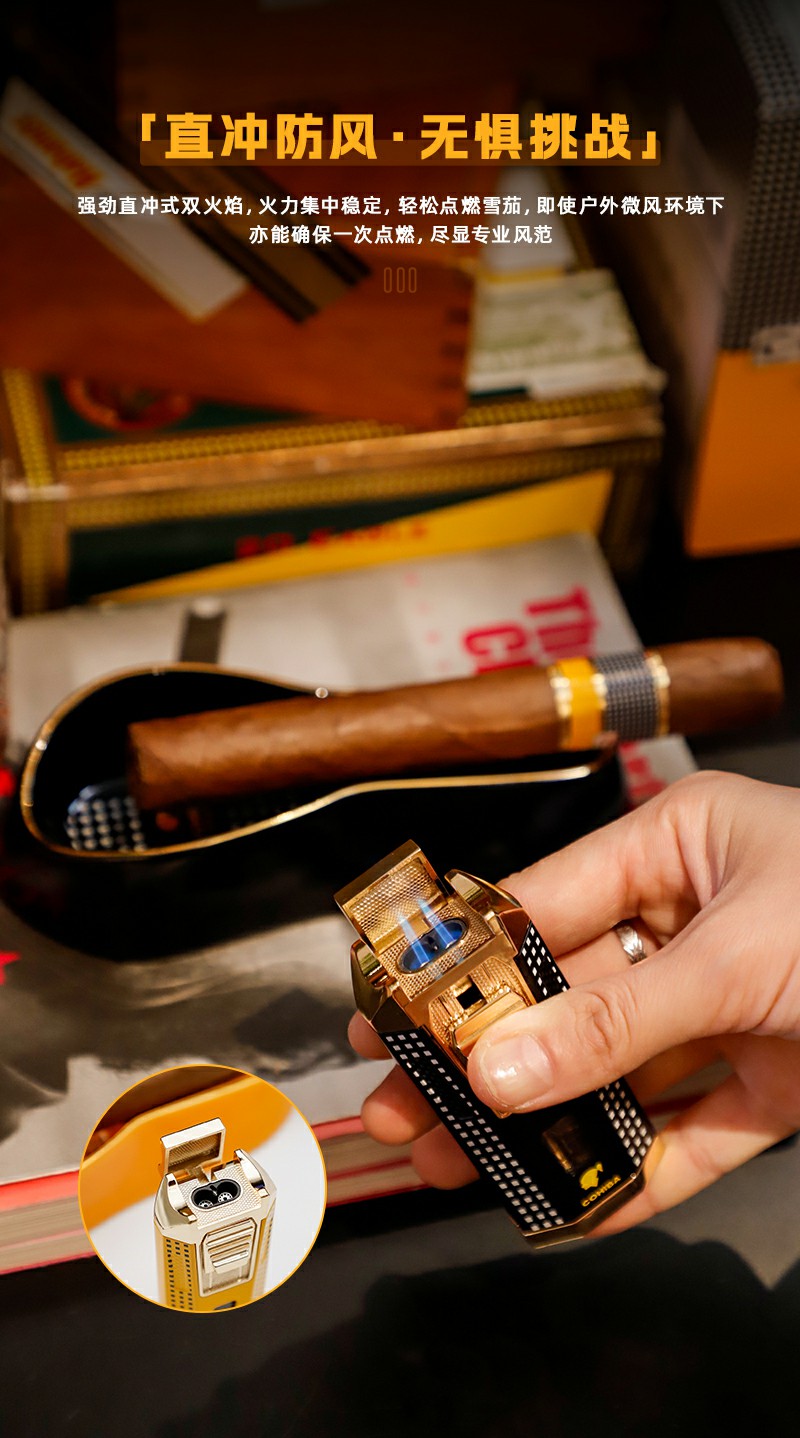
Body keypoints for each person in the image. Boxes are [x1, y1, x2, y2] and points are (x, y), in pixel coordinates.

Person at [348, 771, 800, 1233]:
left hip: (590, 1130)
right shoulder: (403, 985)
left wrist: (589, 1034)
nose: (435, 948)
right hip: (531, 1140)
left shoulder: (491, 921)